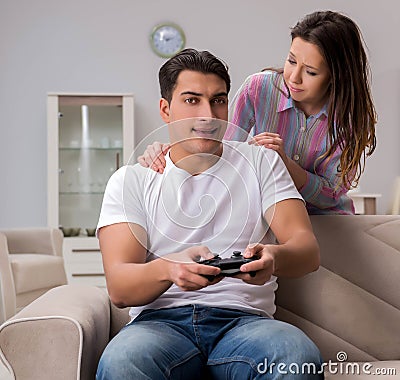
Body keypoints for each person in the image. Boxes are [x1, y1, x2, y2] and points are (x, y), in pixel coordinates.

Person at [96, 48, 323, 379]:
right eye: (191, 100)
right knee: (122, 362)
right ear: (165, 109)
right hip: (158, 324)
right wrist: (168, 269)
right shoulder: (131, 180)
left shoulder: (261, 163)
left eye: (218, 100)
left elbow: (307, 250)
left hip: (245, 322)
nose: (207, 114)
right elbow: (120, 288)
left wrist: (272, 257)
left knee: (294, 355)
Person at [138, 10, 377, 215]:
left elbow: (331, 196)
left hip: (328, 220)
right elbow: (221, 150)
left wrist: (284, 165)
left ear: (337, 76)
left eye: (311, 72)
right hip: (269, 214)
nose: (294, 78)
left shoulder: (350, 118)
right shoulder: (259, 89)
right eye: (292, 61)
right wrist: (168, 153)